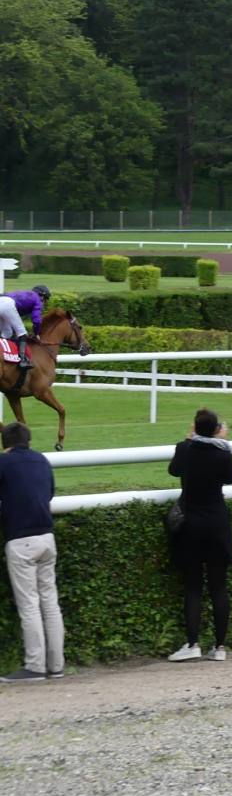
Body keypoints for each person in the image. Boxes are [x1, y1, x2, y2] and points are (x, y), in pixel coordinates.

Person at [167, 409, 232, 663]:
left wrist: (189, 440)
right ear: (217, 428)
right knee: (219, 586)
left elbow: (174, 471)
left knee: (193, 587)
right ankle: (219, 647)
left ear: (195, 428)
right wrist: (223, 442)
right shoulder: (222, 453)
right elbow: (231, 479)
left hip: (191, 526)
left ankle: (193, 643)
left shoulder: (185, 449)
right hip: (217, 524)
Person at [0, 422, 63, 683]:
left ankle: (35, 666)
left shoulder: (3, 463)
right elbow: (49, 493)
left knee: (30, 605)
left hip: (21, 540)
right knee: (49, 602)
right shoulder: (41, 460)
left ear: (6, 443)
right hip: (47, 538)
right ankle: (56, 664)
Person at [0, 284, 50, 371]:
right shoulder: (37, 299)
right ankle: (23, 360)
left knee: (7, 333)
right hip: (7, 305)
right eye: (45, 299)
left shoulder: (26, 295)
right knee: (22, 333)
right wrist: (36, 333)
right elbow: (36, 320)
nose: (44, 302)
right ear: (42, 296)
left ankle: (6, 354)